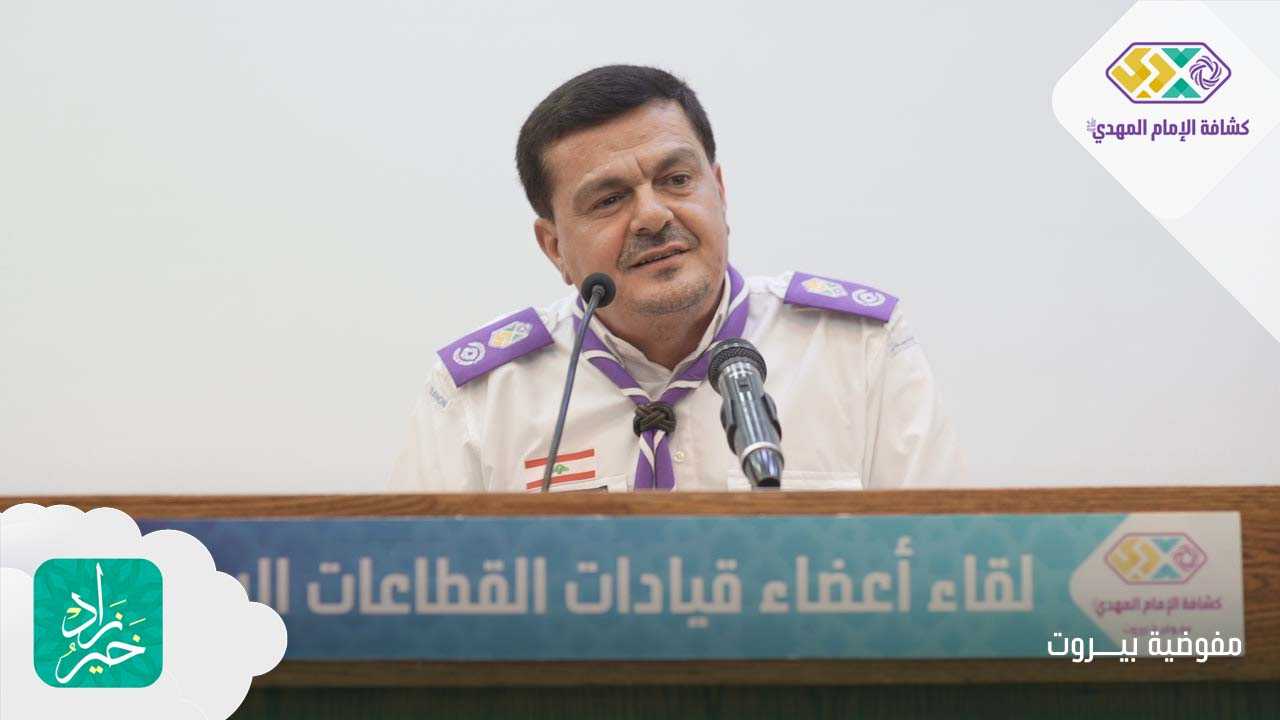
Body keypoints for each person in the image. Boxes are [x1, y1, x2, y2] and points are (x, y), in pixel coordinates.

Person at [391, 65, 964, 492]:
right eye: (609, 199)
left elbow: (943, 565)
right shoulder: (481, 396)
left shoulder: (858, 351)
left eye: (677, 180)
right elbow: (415, 592)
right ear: (555, 248)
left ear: (721, 191)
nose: (652, 216)